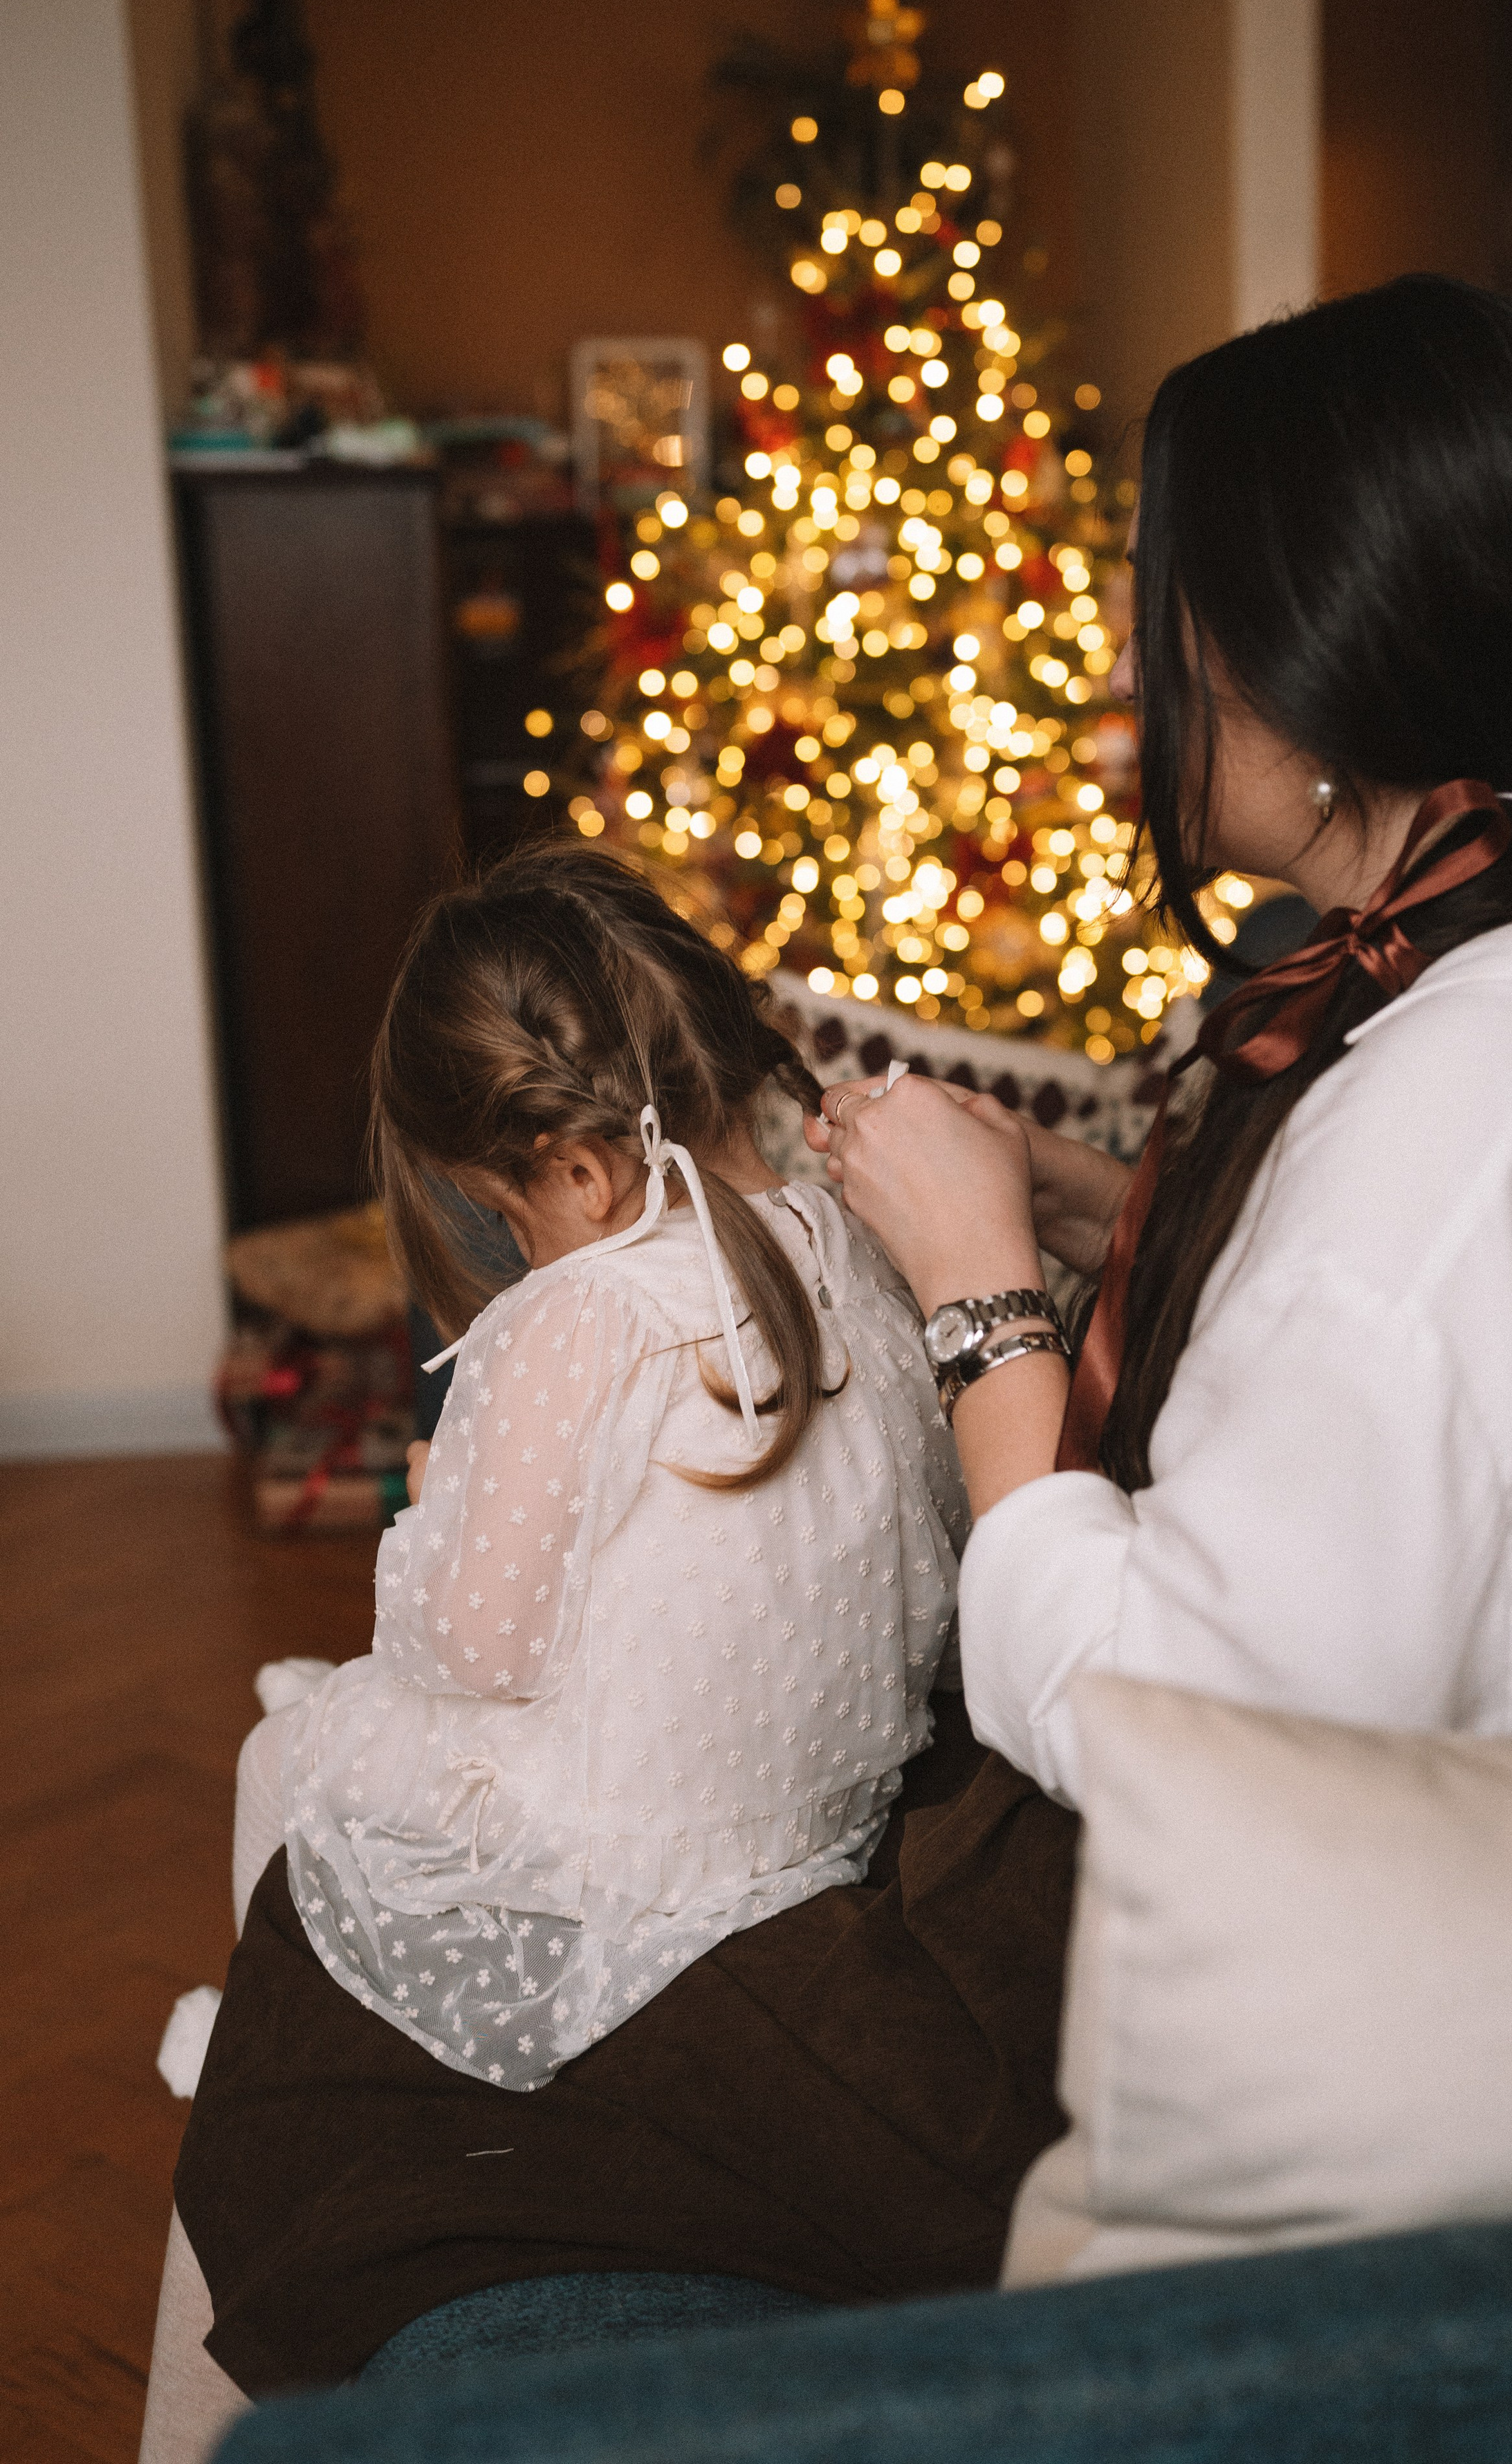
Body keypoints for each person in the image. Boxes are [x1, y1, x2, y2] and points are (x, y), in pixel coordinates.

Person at [152, 852, 1080, 2446]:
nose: (511, 1245)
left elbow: (481, 1643)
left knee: (307, 1768)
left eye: (501, 1211)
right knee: (313, 1752)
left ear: (578, 1171)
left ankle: (228, 2068)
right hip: (814, 1810)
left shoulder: (574, 1318)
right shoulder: (849, 1241)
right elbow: (919, 1526)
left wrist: (424, 1514)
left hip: (634, 1860)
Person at [811, 272, 1512, 1814]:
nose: (1125, 673)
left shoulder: (1432, 1141)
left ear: (1320, 648)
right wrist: (1099, 1203)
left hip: (1384, 1921)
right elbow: (1398, 1387)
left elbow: (1150, 1728)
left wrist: (976, 1295)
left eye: (1157, 607)